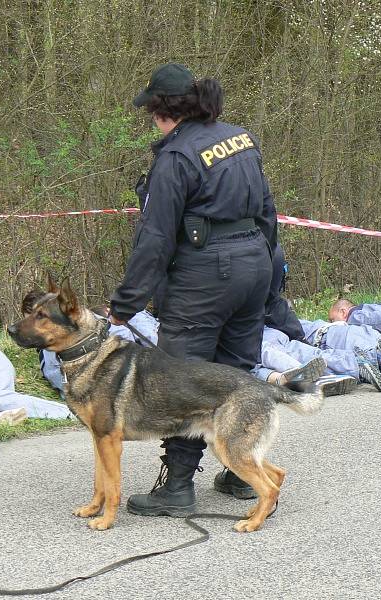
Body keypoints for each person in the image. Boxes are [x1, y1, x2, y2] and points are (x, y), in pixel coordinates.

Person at [108, 63, 277, 517]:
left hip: (204, 275)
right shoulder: (240, 137)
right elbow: (267, 211)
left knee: (182, 379)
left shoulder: (176, 157)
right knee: (236, 371)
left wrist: (125, 304)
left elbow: (156, 238)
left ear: (162, 111)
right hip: (254, 263)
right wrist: (269, 277)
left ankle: (177, 488)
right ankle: (241, 472)